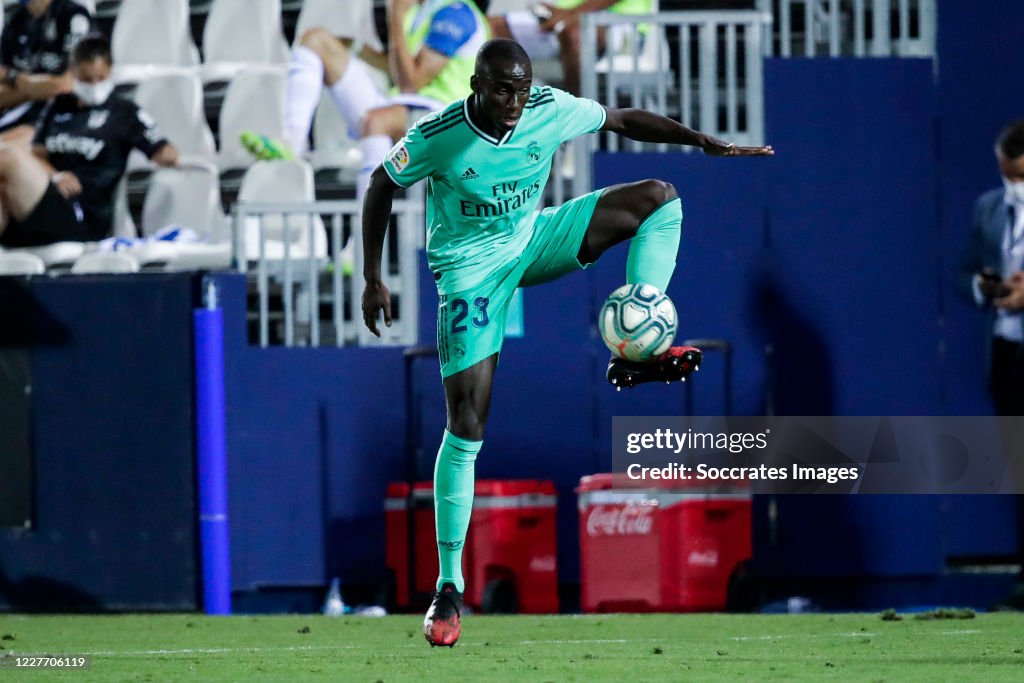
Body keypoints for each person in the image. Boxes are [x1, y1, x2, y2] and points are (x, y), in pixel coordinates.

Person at [360, 38, 772, 646]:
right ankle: (449, 587)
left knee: (659, 199)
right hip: (471, 273)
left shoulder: (547, 107)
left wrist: (702, 140)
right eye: (502, 90)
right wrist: (373, 276)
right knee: (468, 425)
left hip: (533, 239)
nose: (514, 102)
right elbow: (379, 184)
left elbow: (624, 119)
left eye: (522, 90)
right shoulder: (439, 135)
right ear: (476, 86)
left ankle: (638, 346)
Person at [243, 0, 488, 210]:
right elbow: (400, 72)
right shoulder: (419, 11)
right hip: (407, 108)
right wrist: (356, 49)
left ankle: (362, 249)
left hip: (449, 120)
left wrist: (395, 16)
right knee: (316, 40)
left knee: (376, 121)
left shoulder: (457, 13)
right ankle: (293, 144)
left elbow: (410, 82)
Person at [0, 35, 179, 248]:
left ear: (110, 71)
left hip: (81, 213)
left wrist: (168, 155)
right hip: (47, 197)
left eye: (101, 78)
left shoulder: (124, 112)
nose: (94, 85)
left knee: (8, 156)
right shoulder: (59, 105)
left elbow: (165, 151)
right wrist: (56, 175)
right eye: (86, 79)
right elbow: (37, 156)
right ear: (73, 73)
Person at [959, 120, 1024, 609]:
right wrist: (986, 287)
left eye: (1020, 176)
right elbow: (964, 274)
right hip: (1006, 352)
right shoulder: (988, 208)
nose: (1013, 187)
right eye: (1006, 175)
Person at [488, 0, 652, 96]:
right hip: (565, 19)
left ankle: (580, 125)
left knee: (575, 33)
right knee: (487, 26)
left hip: (623, 25)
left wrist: (571, 14)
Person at [0, 0, 93, 147]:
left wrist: (14, 79)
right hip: (19, 113)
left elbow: (67, 86)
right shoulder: (15, 20)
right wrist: (35, 87)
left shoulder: (73, 16)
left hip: (62, 117)